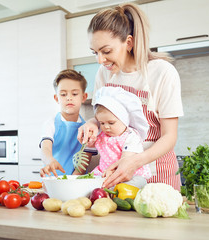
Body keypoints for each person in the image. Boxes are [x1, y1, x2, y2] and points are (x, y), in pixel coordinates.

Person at [77, 3, 183, 191]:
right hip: (116, 177)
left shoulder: (162, 72)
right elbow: (101, 114)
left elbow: (169, 136)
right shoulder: (104, 73)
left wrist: (134, 162)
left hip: (156, 174)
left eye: (106, 51)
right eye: (95, 53)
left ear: (129, 42)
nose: (100, 60)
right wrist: (93, 123)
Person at [91, 86, 151, 189]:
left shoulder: (131, 136)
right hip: (105, 174)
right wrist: (90, 141)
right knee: (89, 183)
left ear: (124, 120)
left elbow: (126, 159)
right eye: (102, 123)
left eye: (111, 123)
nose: (106, 127)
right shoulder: (102, 136)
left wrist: (112, 173)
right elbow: (91, 147)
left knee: (136, 183)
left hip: (129, 175)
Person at [39, 69, 94, 177]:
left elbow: (84, 161)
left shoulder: (87, 128)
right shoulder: (51, 124)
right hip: (53, 180)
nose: (69, 98)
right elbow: (45, 148)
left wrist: (72, 180)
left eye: (74, 94)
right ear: (56, 98)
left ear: (83, 97)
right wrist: (50, 161)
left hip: (77, 180)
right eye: (63, 94)